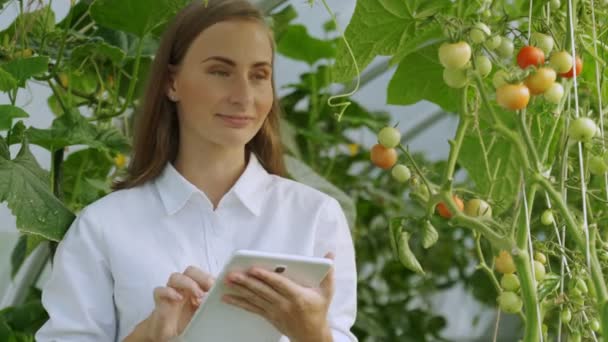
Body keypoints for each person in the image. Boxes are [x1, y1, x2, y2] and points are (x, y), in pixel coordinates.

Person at [35, 1, 357, 341]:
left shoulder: (317, 217)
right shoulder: (101, 227)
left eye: (259, 75)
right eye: (221, 71)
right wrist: (146, 336)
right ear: (172, 83)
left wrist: (313, 334)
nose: (244, 96)